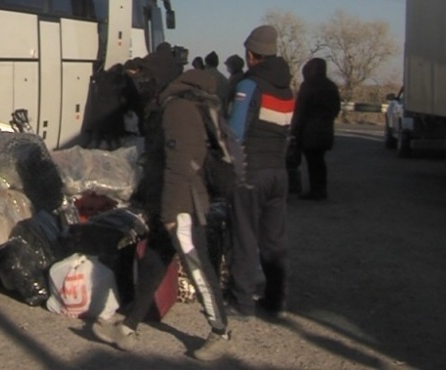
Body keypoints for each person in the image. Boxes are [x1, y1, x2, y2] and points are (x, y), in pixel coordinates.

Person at [93, 69, 231, 361]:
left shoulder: (179, 110)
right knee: (155, 261)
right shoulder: (193, 105)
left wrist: (170, 211)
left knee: (198, 268)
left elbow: (179, 165)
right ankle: (128, 327)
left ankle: (220, 331)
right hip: (176, 201)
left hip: (182, 205)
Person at [226, 25, 294, 320]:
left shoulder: (249, 85)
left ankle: (242, 302)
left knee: (244, 234)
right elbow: (288, 131)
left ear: (251, 54)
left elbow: (235, 133)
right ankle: (276, 299)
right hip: (279, 171)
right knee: (273, 239)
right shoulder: (287, 88)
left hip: (251, 172)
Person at [291, 58, 341, 201]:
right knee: (319, 161)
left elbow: (301, 110)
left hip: (309, 131)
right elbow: (336, 108)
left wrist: (294, 129)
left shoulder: (308, 86)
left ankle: (316, 191)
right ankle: (320, 189)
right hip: (325, 130)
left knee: (312, 162)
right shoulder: (330, 86)